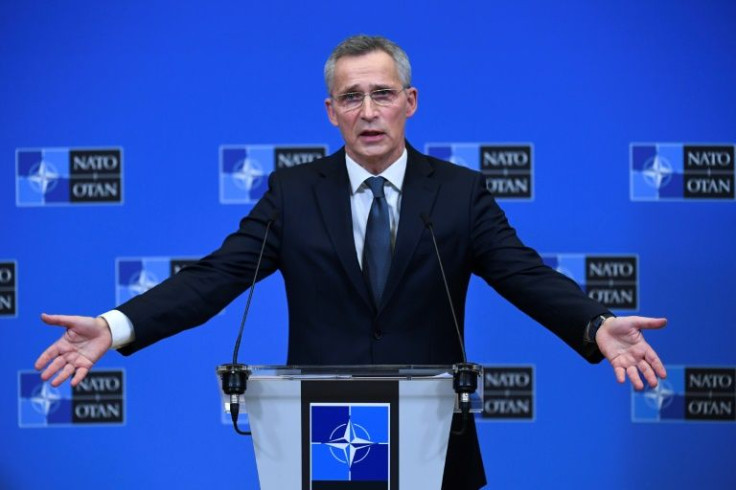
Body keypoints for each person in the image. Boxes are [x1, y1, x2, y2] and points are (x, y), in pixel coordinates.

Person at [35, 35, 667, 490]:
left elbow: (523, 273)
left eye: (383, 94)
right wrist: (114, 326)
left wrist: (595, 323)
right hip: (325, 439)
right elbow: (216, 276)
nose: (369, 112)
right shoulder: (293, 193)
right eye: (351, 97)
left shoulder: (457, 193)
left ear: (410, 102)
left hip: (435, 443)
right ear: (331, 111)